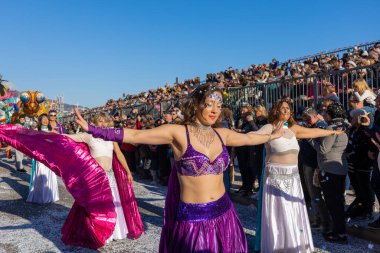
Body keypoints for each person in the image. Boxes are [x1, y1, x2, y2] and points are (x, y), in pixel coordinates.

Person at [73, 83, 285, 253]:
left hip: (224, 213)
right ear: (196, 105)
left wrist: (271, 135)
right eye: (210, 103)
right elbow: (136, 135)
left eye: (219, 106)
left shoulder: (222, 134)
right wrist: (95, 130)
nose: (215, 110)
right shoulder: (177, 132)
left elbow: (249, 138)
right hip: (193, 219)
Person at [253, 97, 343, 253]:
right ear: (275, 111)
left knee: (293, 212)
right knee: (279, 215)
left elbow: (314, 132)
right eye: (283, 108)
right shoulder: (269, 127)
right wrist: (271, 135)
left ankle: (294, 245)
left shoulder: (293, 129)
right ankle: (278, 247)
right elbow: (254, 136)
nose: (287, 111)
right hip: (275, 177)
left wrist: (332, 131)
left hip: (293, 178)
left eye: (288, 108)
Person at [64, 112, 140, 243]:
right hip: (96, 177)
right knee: (97, 205)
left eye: (105, 121)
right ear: (94, 123)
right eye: (100, 121)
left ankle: (114, 231)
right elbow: (68, 137)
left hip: (109, 176)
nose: (103, 123)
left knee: (112, 203)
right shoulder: (89, 136)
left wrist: (128, 171)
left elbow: (120, 154)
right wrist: (53, 134)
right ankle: (98, 232)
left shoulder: (111, 137)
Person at [308, 103, 349, 243]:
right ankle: (339, 231)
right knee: (338, 202)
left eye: (326, 113)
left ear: (331, 114)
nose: (324, 116)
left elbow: (323, 149)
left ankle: (339, 234)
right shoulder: (346, 125)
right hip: (341, 168)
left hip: (330, 169)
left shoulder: (332, 128)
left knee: (333, 203)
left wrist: (310, 139)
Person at [27, 114, 59, 204]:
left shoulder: (52, 131)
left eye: (46, 119)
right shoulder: (35, 131)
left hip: (50, 156)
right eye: (43, 119)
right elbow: (29, 142)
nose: (45, 120)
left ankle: (50, 196)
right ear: (40, 120)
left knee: (50, 174)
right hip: (39, 156)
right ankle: (39, 196)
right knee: (40, 173)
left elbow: (61, 140)